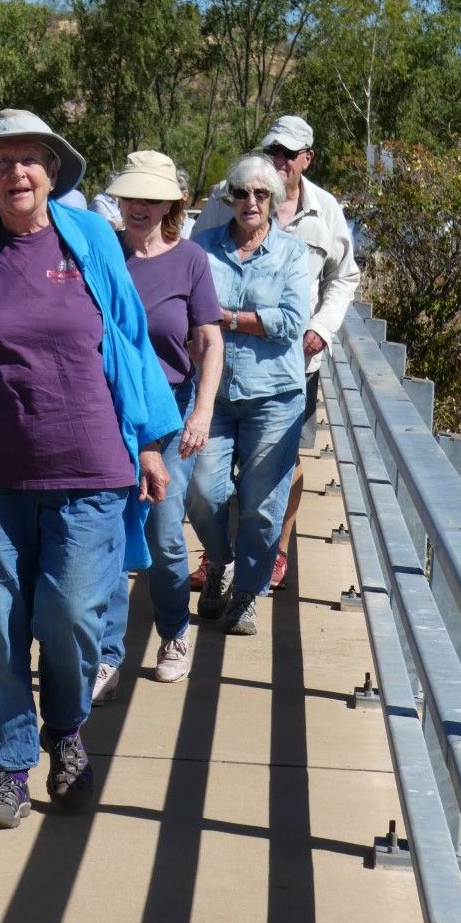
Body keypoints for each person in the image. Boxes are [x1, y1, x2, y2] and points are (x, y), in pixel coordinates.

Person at [0, 109, 180, 831]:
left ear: (52, 173)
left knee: (72, 614)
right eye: (1, 162)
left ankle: (67, 733)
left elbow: (132, 342)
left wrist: (148, 442)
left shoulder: (91, 243)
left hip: (89, 466)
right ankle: (10, 770)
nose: (16, 172)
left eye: (30, 160)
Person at [191, 115, 359, 589]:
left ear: (308, 158)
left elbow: (344, 277)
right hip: (220, 367)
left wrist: (322, 328)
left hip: (294, 363)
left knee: (283, 463)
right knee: (213, 474)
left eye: (290, 153)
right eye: (273, 151)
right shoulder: (231, 194)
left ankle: (275, 551)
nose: (280, 161)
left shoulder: (325, 210)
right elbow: (194, 261)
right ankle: (219, 556)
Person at [93, 151, 223, 699]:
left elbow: (211, 341)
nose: (139, 207)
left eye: (151, 198)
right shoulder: (102, 254)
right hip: (104, 411)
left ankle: (173, 632)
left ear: (172, 203)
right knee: (104, 535)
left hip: (169, 411)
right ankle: (106, 655)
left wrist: (203, 411)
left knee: (164, 532)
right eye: (130, 196)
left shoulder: (190, 259)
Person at [187, 152, 312, 636]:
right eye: (242, 193)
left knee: (262, 504)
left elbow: (289, 323)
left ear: (275, 200)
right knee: (200, 491)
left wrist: (228, 319)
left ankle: (247, 592)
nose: (251, 202)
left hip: (273, 395)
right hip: (213, 395)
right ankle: (219, 561)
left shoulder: (292, 254)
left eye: (261, 194)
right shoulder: (203, 249)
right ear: (230, 198)